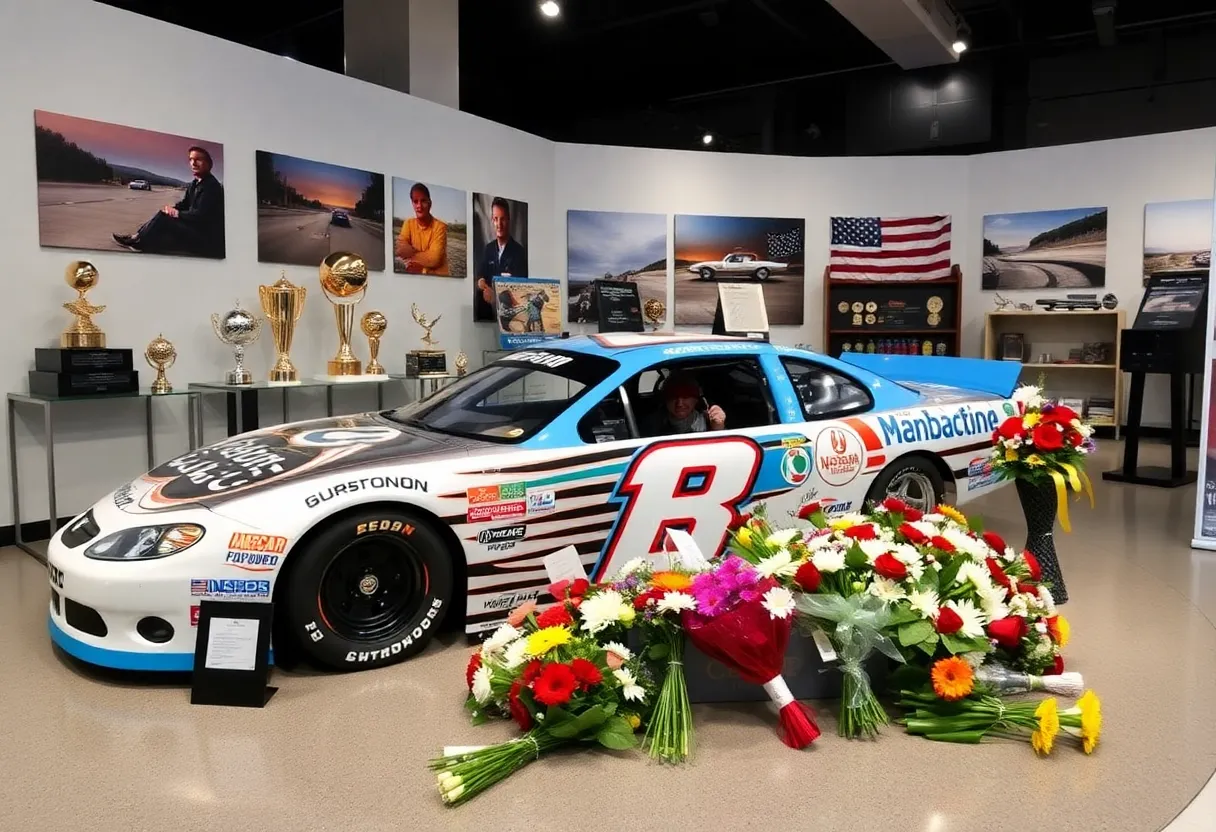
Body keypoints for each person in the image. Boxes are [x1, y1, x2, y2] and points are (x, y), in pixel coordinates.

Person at [113, 146, 224, 257]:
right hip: (193, 227)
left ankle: (139, 243)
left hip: (203, 236)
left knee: (164, 218)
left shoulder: (211, 186)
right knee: (164, 213)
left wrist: (177, 214)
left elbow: (200, 216)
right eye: (191, 159)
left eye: (198, 159)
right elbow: (184, 203)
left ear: (209, 164)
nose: (193, 163)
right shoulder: (194, 184)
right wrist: (172, 209)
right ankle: (136, 237)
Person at [474, 197, 528, 321]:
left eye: (502, 219)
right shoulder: (488, 249)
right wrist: (482, 284)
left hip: (511, 317)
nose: (499, 224)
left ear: (508, 220)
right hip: (487, 318)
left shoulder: (519, 252)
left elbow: (520, 290)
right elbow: (480, 276)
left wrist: (496, 297)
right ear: (492, 220)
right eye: (496, 219)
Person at [394, 182, 449, 274]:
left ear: (430, 203)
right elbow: (400, 250)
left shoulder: (440, 227)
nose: (419, 206)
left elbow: (434, 259)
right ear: (412, 204)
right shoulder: (408, 223)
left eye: (423, 201)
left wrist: (411, 252)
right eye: (415, 202)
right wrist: (424, 256)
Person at [650, 373, 726, 435]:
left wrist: (718, 428)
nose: (679, 404)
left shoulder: (709, 420)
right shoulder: (653, 424)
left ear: (696, 400)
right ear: (666, 400)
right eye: (673, 397)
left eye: (686, 396)